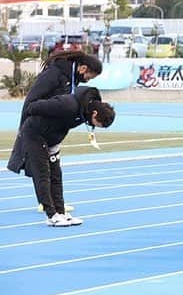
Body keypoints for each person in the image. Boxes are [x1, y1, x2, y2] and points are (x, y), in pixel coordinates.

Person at [7, 49, 103, 214]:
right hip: (37, 126)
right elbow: (32, 100)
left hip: (51, 129)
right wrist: (26, 126)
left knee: (51, 168)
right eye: (90, 76)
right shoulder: (55, 73)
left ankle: (52, 202)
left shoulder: (70, 78)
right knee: (41, 167)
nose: (88, 80)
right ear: (83, 68)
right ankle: (46, 203)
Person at [14, 85, 115, 226]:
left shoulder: (84, 111)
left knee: (56, 174)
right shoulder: (69, 105)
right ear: (95, 114)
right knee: (42, 174)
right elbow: (33, 107)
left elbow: (63, 124)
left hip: (51, 139)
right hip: (35, 133)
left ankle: (60, 212)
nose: (95, 127)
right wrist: (37, 125)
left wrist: (55, 141)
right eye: (98, 124)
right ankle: (51, 215)